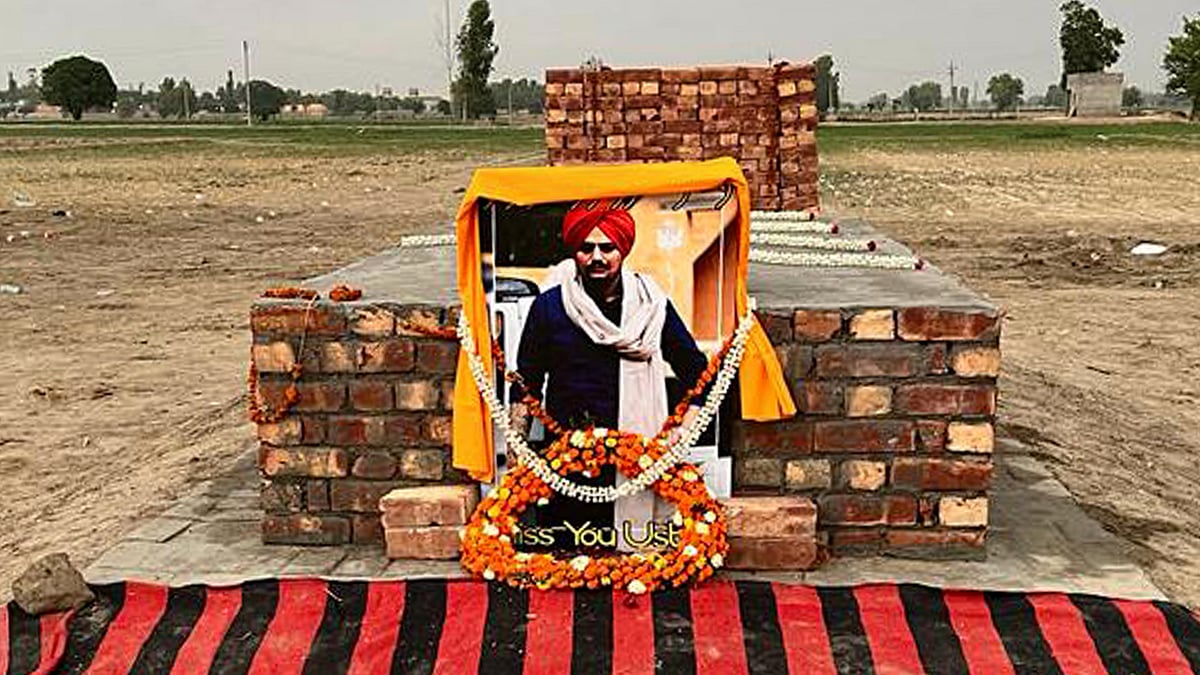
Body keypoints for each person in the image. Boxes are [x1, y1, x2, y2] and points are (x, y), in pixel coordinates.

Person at [511, 201, 708, 551]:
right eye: (587, 248)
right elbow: (526, 382)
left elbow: (697, 372)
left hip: (636, 459)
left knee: (634, 559)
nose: (597, 257)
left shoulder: (651, 306)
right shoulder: (551, 306)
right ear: (575, 252)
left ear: (623, 250)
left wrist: (683, 428)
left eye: (607, 248)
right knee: (570, 561)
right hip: (569, 462)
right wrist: (517, 448)